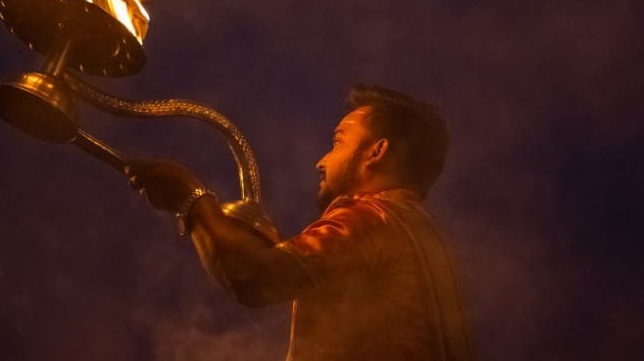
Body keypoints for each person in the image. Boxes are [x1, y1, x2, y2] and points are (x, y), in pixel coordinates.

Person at [127, 84, 471, 360]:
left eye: (337, 142)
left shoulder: (373, 219)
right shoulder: (428, 241)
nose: (321, 161)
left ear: (376, 151)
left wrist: (190, 199)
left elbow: (253, 276)